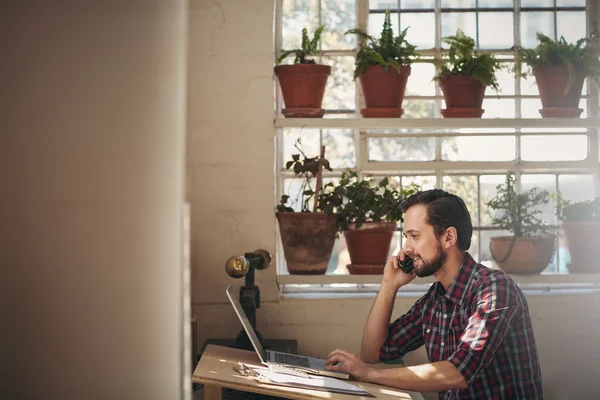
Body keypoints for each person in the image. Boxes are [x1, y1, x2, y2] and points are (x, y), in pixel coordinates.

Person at [325, 189, 543, 399]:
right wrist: (389, 285)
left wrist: (371, 375)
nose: (407, 248)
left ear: (448, 237)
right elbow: (373, 353)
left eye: (415, 236)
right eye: (406, 237)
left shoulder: (496, 289)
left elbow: (458, 371)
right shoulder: (435, 298)